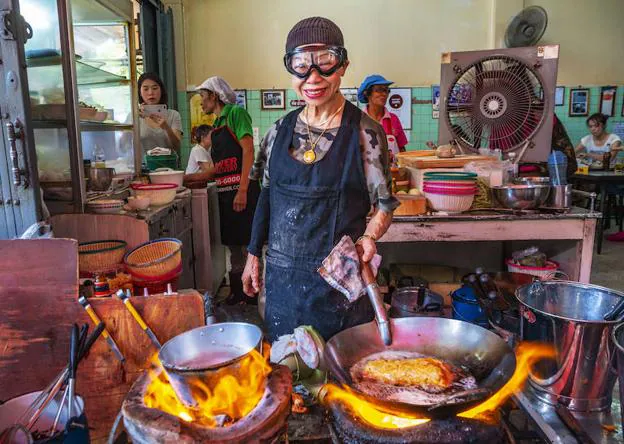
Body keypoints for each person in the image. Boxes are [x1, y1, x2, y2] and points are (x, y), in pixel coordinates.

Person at [242, 17, 398, 341]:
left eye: (325, 62)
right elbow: (266, 197)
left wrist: (369, 237)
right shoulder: (277, 133)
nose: (313, 77)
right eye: (301, 64)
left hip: (337, 288)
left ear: (343, 65)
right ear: (290, 68)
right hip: (282, 285)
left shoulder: (365, 133)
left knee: (340, 379)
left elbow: (384, 204)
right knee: (288, 377)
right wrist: (253, 255)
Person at [194, 76, 260, 304]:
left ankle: (251, 293)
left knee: (246, 245)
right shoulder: (215, 126)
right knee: (233, 245)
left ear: (214, 95)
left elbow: (248, 151)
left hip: (241, 191)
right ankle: (237, 293)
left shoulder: (235, 114)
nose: (201, 103)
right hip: (225, 194)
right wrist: (184, 180)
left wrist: (242, 190)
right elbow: (216, 169)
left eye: (203, 97)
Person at [357, 74, 408, 158]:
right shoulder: (358, 119)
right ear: (367, 93)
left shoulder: (393, 119)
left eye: (386, 90)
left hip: (392, 170)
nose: (384, 94)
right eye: (379, 90)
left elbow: (402, 149)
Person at [137, 72, 182, 155]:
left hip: (168, 166)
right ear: (140, 92)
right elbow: (123, 146)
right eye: (145, 89)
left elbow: (176, 146)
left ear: (161, 90)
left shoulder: (173, 115)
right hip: (143, 166)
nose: (150, 93)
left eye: (155, 88)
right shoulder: (134, 116)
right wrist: (134, 118)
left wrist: (166, 127)